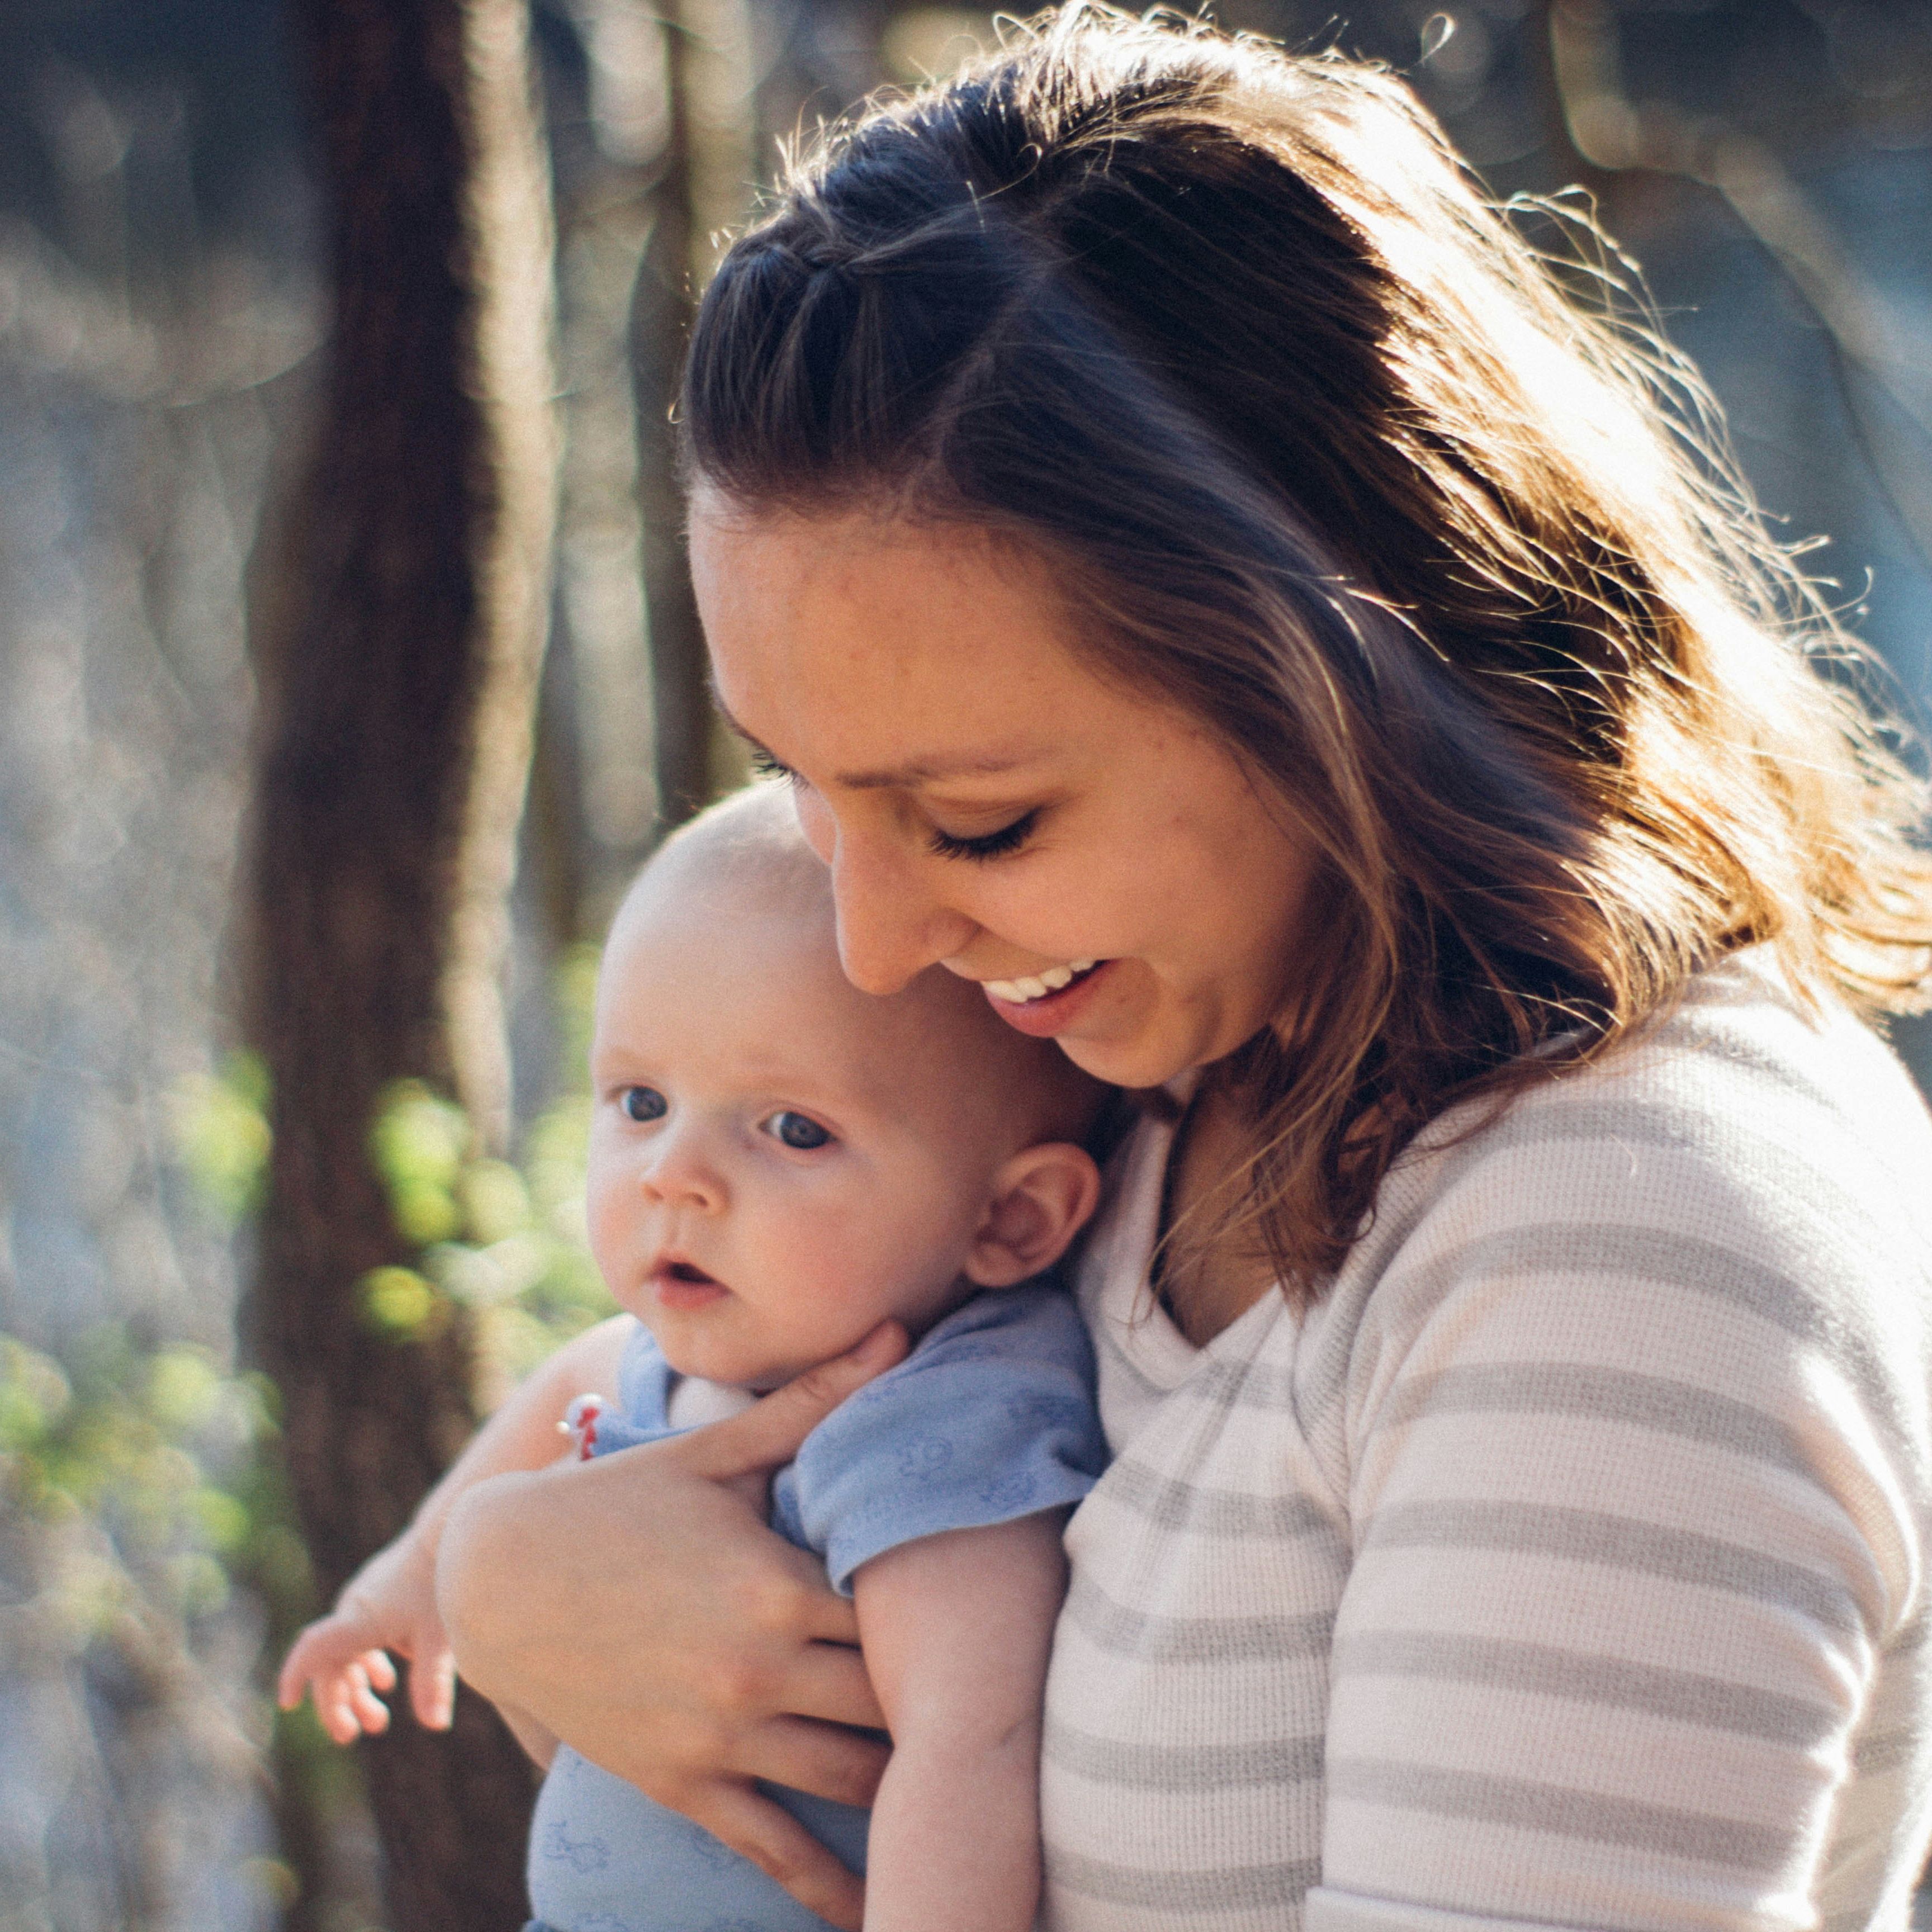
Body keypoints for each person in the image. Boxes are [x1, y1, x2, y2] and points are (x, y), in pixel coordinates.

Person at [435, 8, 1932, 1932]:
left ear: (1355, 676)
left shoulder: (1624, 1239)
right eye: (801, 787)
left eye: (976, 822)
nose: (875, 945)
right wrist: (512, 1571)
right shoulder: (1152, 1074)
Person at [278, 784, 1112, 1932]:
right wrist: (399, 1591)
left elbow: (972, 1747)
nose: (675, 1173)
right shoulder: (661, 1360)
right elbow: (562, 1384)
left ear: (1012, 1220)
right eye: (641, 1100)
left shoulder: (936, 1423)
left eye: (793, 1129)